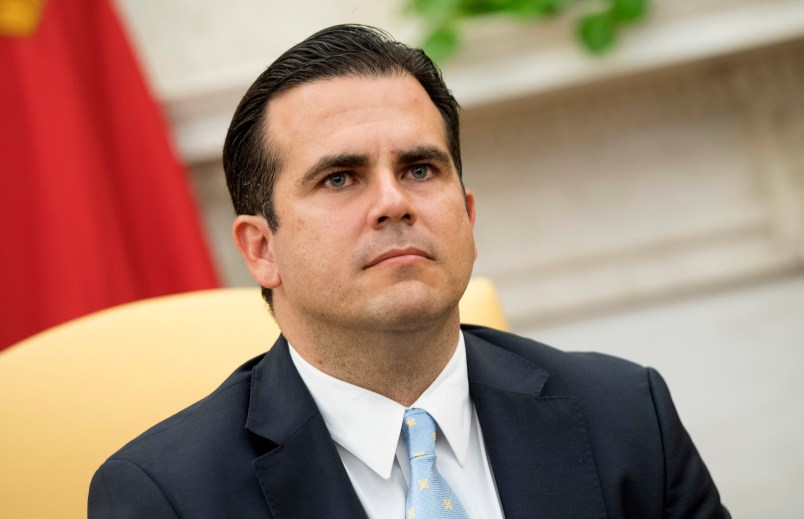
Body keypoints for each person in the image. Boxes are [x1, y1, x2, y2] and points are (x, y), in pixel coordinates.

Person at [88, 24, 729, 518]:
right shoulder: (167, 496)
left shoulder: (625, 415)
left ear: (468, 214)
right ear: (261, 249)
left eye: (420, 169)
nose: (394, 202)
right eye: (340, 178)